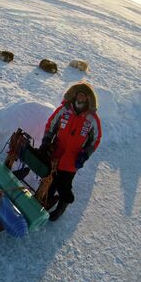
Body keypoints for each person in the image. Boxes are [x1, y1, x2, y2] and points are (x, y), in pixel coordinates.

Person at [40, 81, 102, 221]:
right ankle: (46, 198)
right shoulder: (64, 110)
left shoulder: (92, 119)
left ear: (88, 99)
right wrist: (46, 141)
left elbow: (96, 139)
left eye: (84, 96)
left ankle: (64, 203)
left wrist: (85, 155)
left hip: (72, 159)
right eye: (79, 95)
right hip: (56, 152)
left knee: (64, 184)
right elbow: (51, 125)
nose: (80, 98)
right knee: (50, 178)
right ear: (74, 95)